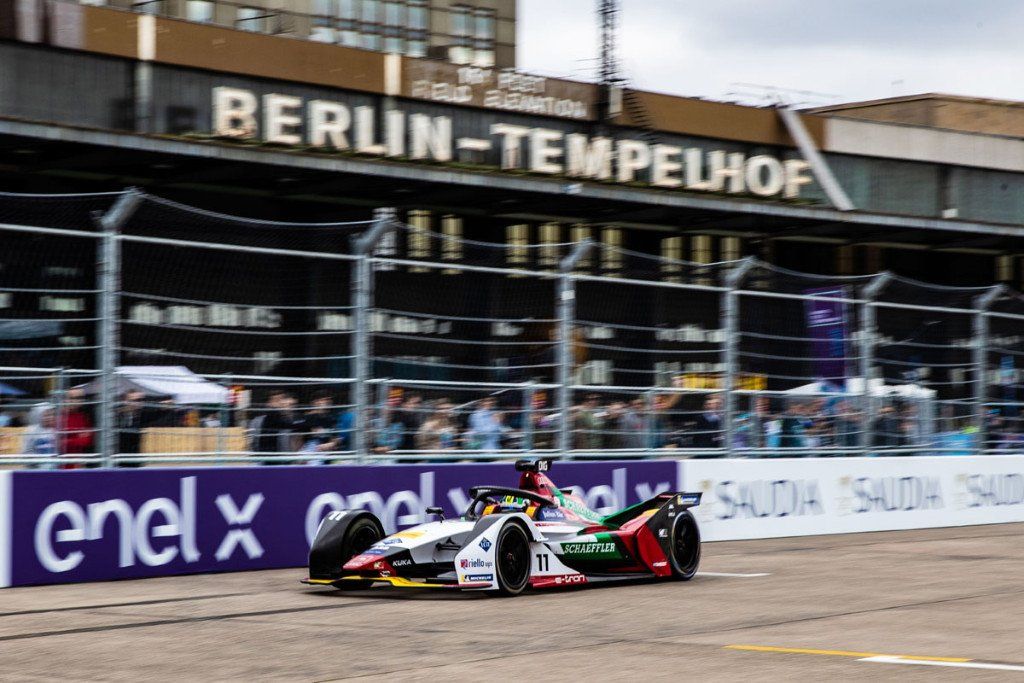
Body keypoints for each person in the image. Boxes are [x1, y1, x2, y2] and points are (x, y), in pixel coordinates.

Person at [58, 387, 94, 467]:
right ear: (64, 399)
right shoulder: (57, 416)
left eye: (79, 398)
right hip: (59, 464)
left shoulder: (85, 416)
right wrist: (78, 437)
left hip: (78, 464)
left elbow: (87, 441)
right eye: (71, 398)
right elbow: (57, 442)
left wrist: (68, 439)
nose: (75, 401)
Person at [20, 403, 58, 468]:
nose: (50, 417)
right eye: (46, 415)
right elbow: (26, 452)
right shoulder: (31, 431)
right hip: (36, 469)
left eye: (52, 415)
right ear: (38, 416)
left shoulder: (57, 429)